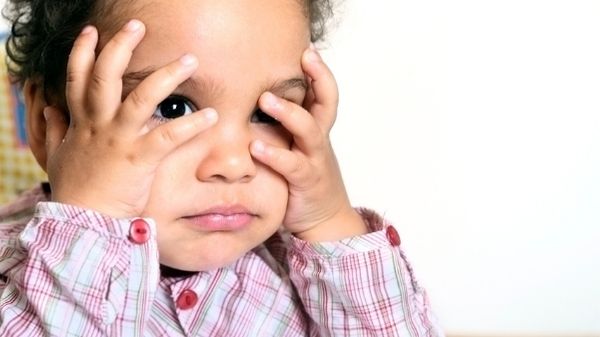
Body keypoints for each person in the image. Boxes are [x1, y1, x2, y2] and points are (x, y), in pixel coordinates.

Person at [0, 0, 443, 335]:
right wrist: (93, 215)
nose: (233, 164)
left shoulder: (306, 270)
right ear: (46, 120)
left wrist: (328, 220)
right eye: (172, 107)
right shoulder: (14, 270)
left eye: (268, 114)